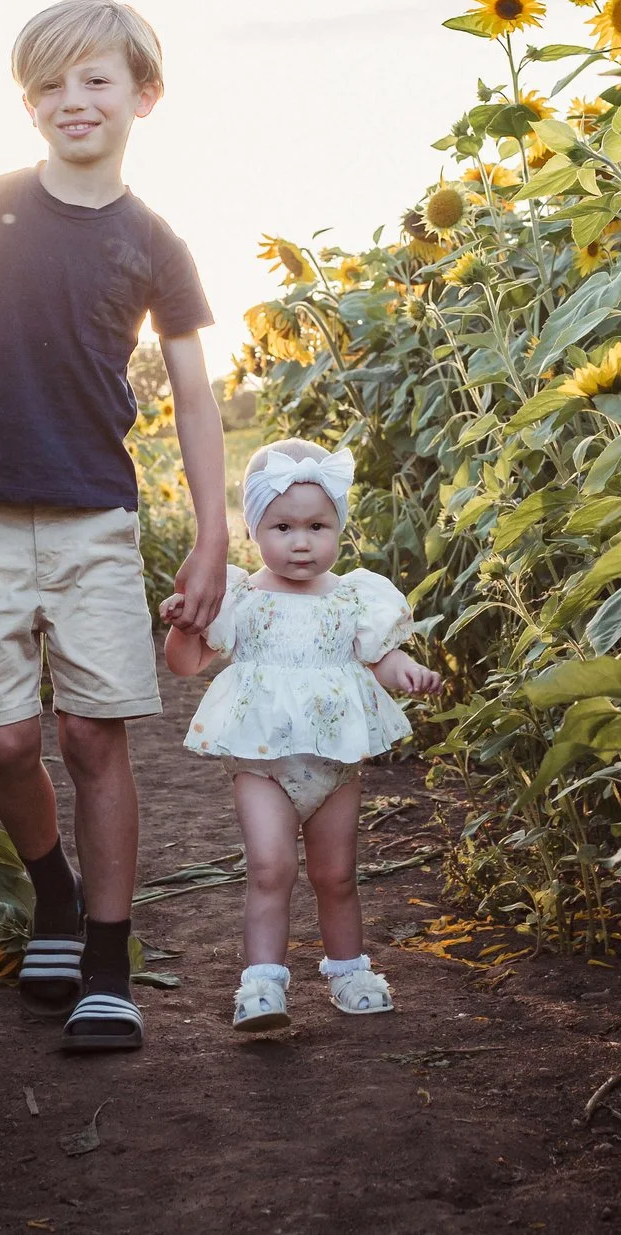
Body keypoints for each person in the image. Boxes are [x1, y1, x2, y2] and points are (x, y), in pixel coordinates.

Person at [0, 0, 227, 1053]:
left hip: (94, 518)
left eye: (94, 80)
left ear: (143, 96)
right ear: (26, 101)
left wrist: (213, 530)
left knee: (90, 732)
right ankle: (53, 894)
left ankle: (108, 968)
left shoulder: (154, 241)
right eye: (49, 84)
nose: (70, 101)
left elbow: (194, 391)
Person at [160, 439, 441, 1033]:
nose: (301, 541)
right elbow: (186, 665)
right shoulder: (240, 598)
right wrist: (185, 624)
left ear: (339, 526)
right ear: (254, 529)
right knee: (270, 868)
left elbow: (378, 660)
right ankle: (262, 984)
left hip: (333, 760)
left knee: (337, 873)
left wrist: (406, 672)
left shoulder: (353, 598)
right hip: (262, 762)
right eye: (283, 526)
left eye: (318, 526)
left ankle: (348, 971)